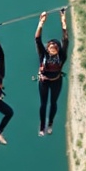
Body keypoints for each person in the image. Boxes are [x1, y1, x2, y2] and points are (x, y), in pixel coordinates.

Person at [35, 8, 69, 136]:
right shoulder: (43, 54)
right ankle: (42, 126)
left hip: (56, 81)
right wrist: (41, 23)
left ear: (58, 49)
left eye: (55, 48)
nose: (52, 49)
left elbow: (65, 40)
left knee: (53, 103)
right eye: (51, 47)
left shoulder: (62, 56)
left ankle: (50, 124)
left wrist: (63, 21)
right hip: (44, 81)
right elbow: (37, 39)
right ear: (47, 49)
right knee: (43, 104)